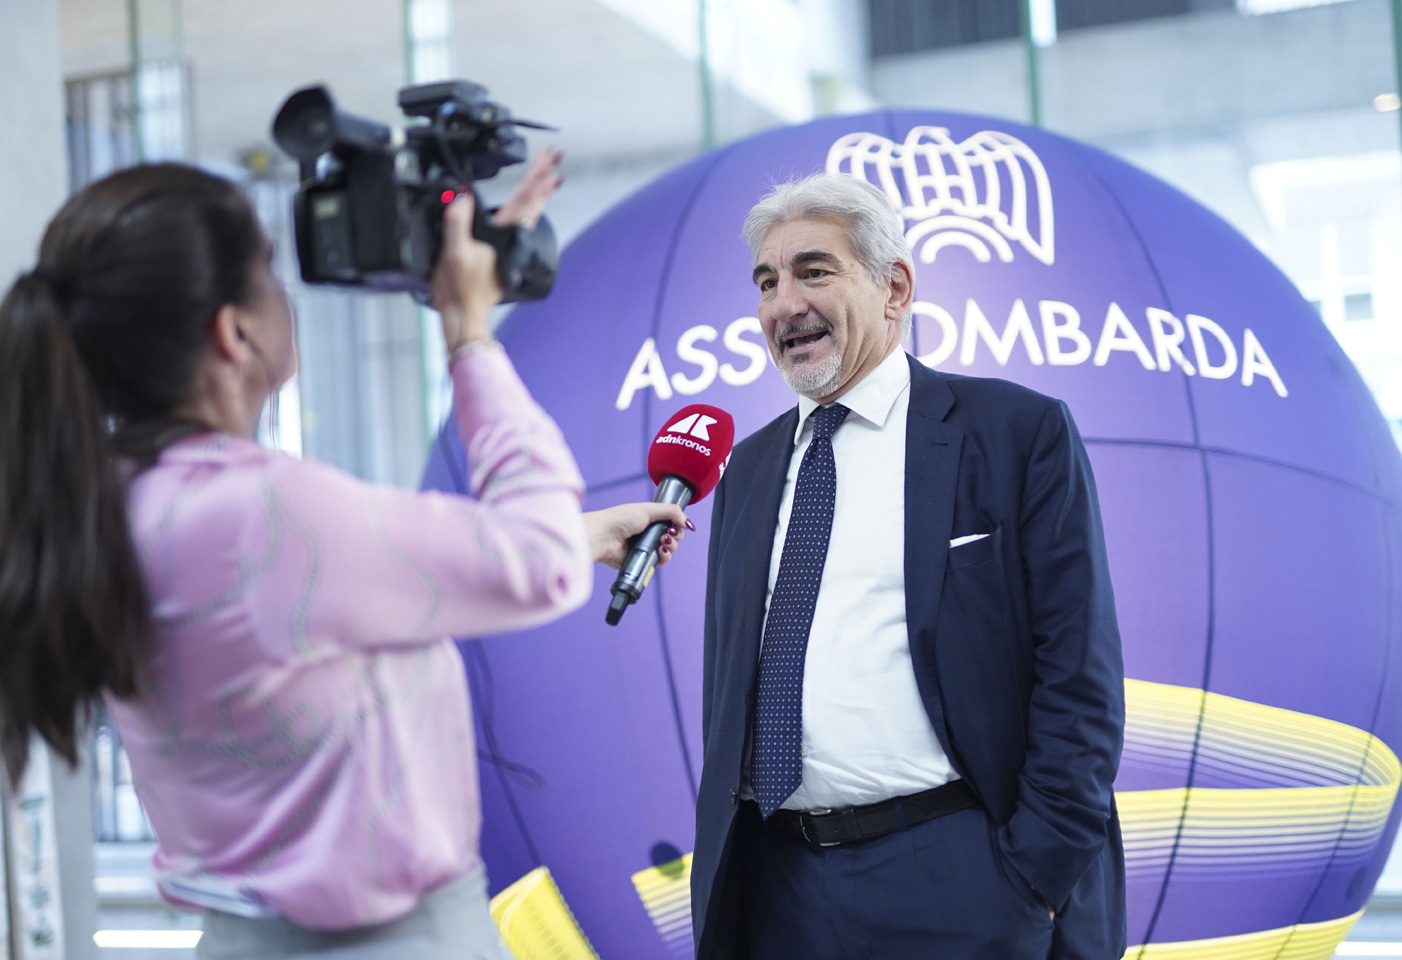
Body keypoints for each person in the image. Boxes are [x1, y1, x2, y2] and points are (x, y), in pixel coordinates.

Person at [0, 155, 687, 959]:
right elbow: (539, 565)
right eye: (267, 270)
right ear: (234, 332)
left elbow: (348, 590)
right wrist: (469, 332)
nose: (284, 292)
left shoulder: (113, 505)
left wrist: (579, 531)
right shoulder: (265, 512)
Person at [692, 173, 1126, 960]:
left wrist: (1035, 877)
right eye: (766, 282)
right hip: (777, 887)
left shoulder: (1015, 432)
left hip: (962, 875)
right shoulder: (746, 471)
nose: (784, 305)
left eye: (813, 272)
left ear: (894, 288)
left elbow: (1079, 676)